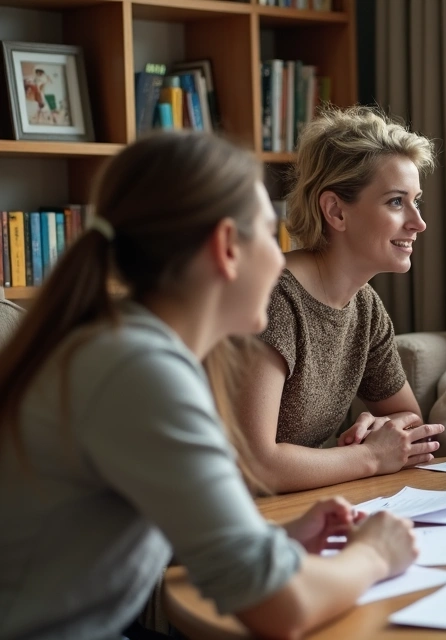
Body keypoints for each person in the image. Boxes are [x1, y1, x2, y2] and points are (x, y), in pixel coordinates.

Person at [0, 133, 418, 639]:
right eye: (269, 234)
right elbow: (280, 610)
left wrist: (275, 538)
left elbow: (163, 526)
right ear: (226, 247)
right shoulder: (140, 370)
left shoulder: (130, 346)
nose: (281, 257)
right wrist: (374, 553)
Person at [237, 106, 445, 493]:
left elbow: (411, 423)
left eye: (417, 200)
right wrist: (370, 457)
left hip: (304, 503)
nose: (418, 222)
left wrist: (382, 429)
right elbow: (257, 465)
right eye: (397, 202)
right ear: (335, 211)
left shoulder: (364, 307)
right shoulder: (273, 300)